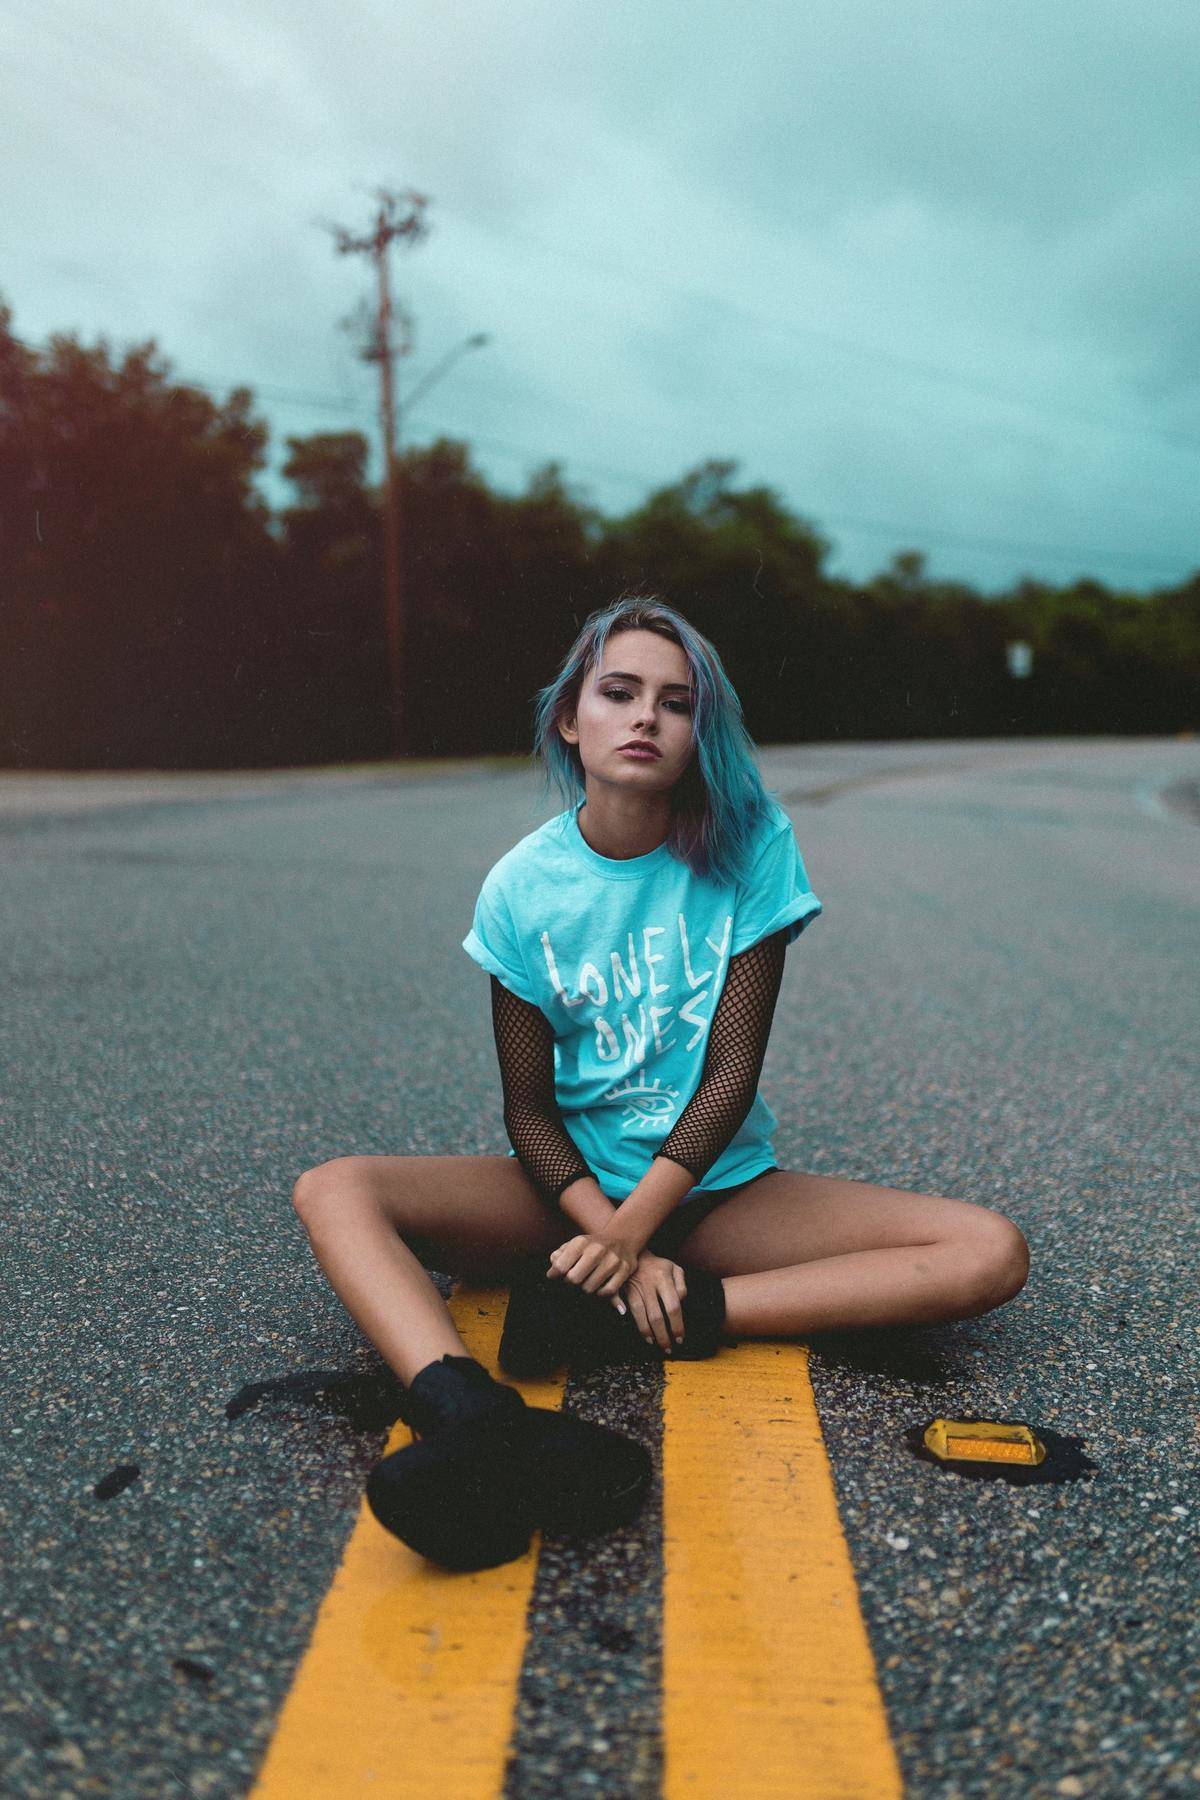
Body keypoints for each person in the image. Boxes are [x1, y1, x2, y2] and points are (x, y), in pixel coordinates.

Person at [292, 594, 1030, 1572]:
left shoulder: (750, 846)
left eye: (675, 703)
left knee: (989, 1250)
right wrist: (611, 1230)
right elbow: (528, 1107)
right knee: (333, 1188)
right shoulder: (522, 886)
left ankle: (672, 1317)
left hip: (715, 1192)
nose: (645, 717)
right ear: (571, 718)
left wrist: (641, 1243)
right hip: (568, 1196)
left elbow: (731, 1073)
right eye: (620, 691)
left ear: (698, 733)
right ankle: (468, 1411)